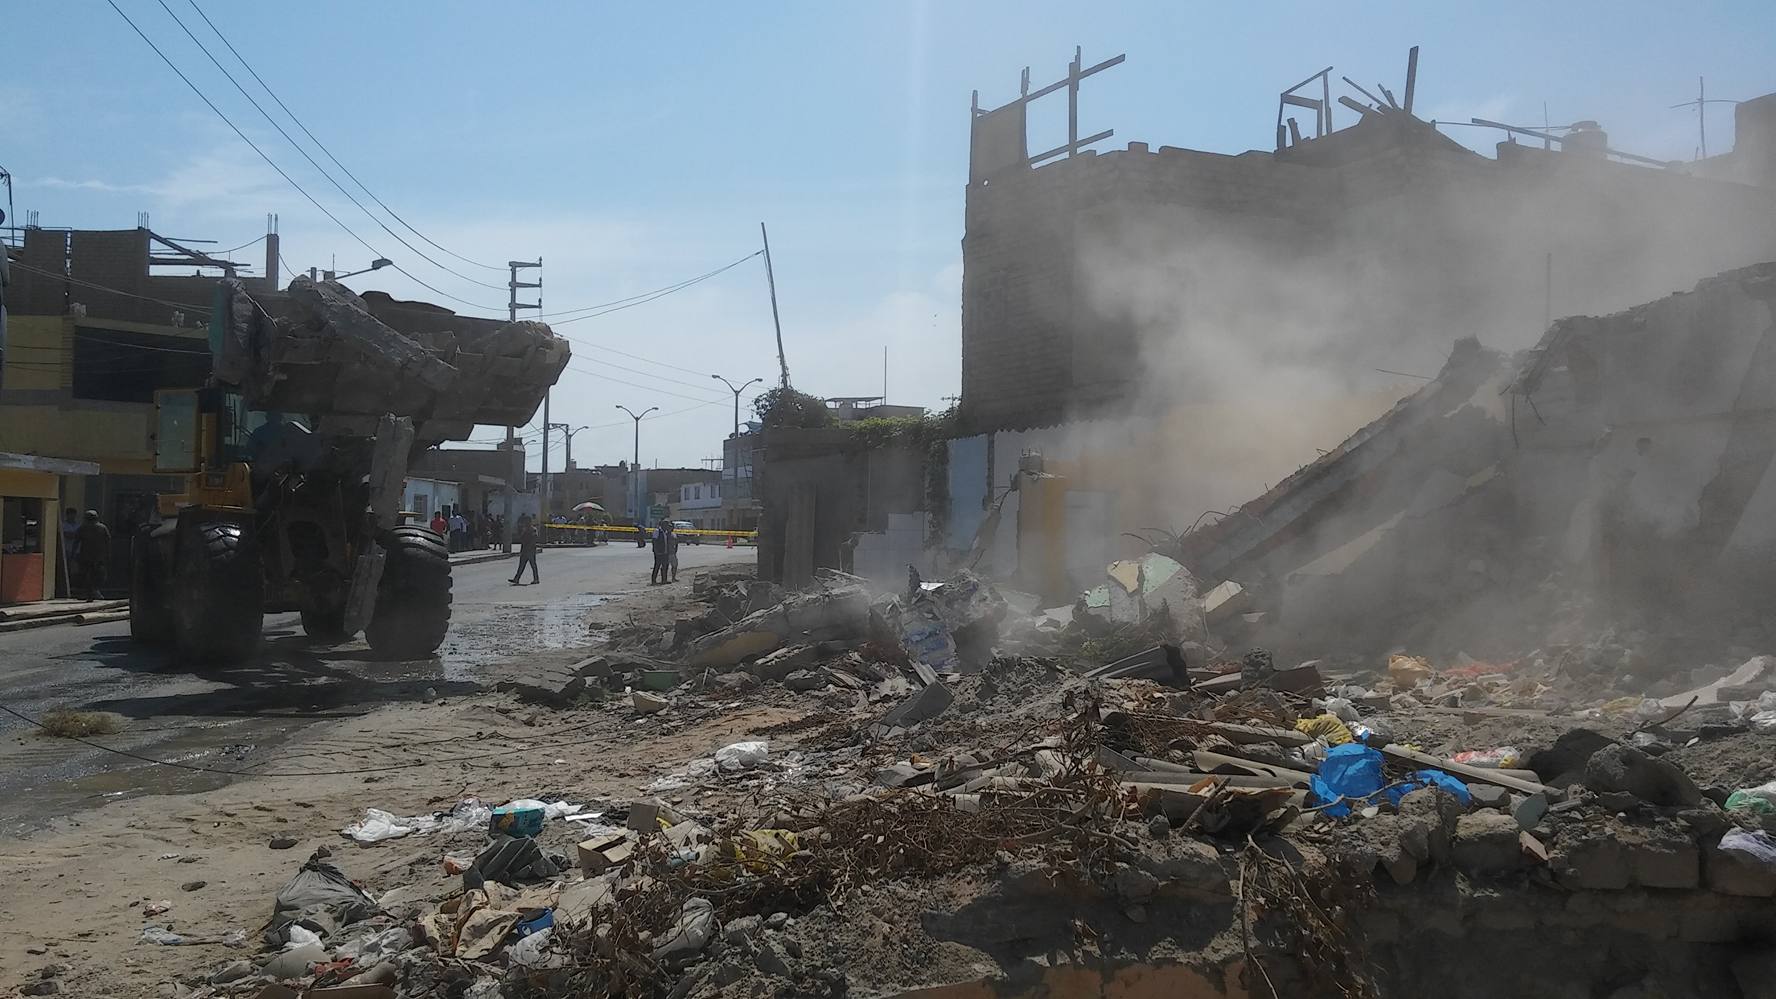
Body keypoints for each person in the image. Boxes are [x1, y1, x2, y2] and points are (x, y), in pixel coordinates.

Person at [74, 510, 112, 601]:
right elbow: (108, 542)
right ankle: (92, 591)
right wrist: (108, 554)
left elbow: (76, 542)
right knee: (96, 575)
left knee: (90, 575)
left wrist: (73, 554)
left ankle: (92, 592)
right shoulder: (101, 528)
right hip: (94, 556)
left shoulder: (84, 528)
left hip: (90, 556)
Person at [510, 514, 540, 585]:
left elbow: (534, 539)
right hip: (524, 549)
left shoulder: (533, 529)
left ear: (529, 522)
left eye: (526, 521)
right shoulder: (525, 529)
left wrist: (529, 547)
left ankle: (536, 579)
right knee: (521, 566)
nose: (525, 523)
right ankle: (516, 579)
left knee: (533, 565)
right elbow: (521, 538)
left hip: (530, 550)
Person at [649, 520, 671, 585]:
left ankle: (664, 580)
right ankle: (653, 580)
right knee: (657, 566)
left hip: (665, 552)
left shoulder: (666, 532)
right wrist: (656, 550)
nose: (667, 527)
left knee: (665, 566)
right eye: (666, 525)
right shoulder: (657, 531)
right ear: (663, 525)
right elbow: (654, 541)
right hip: (659, 552)